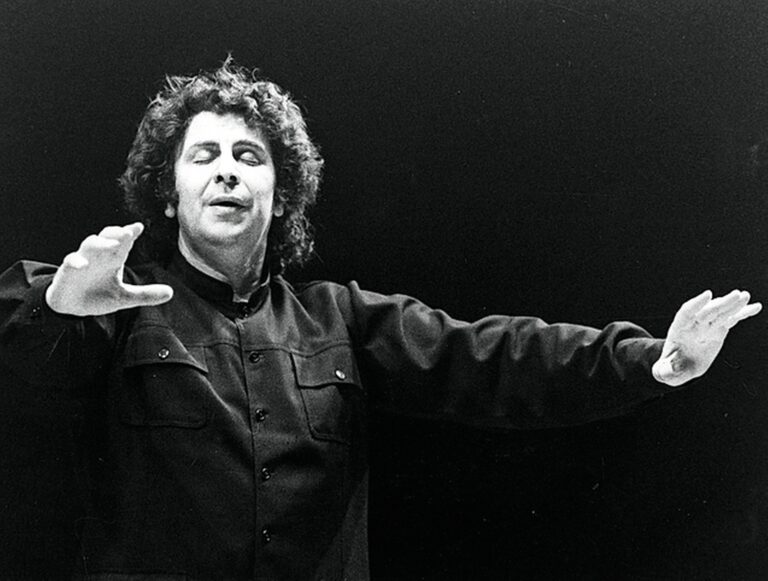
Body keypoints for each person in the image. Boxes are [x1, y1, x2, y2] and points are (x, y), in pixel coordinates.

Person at [0, 60, 760, 580]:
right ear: (169, 195)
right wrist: (57, 306)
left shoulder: (338, 318)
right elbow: (23, 351)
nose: (226, 168)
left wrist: (651, 359)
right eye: (203, 156)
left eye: (248, 155)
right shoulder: (119, 304)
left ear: (281, 194)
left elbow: (492, 356)